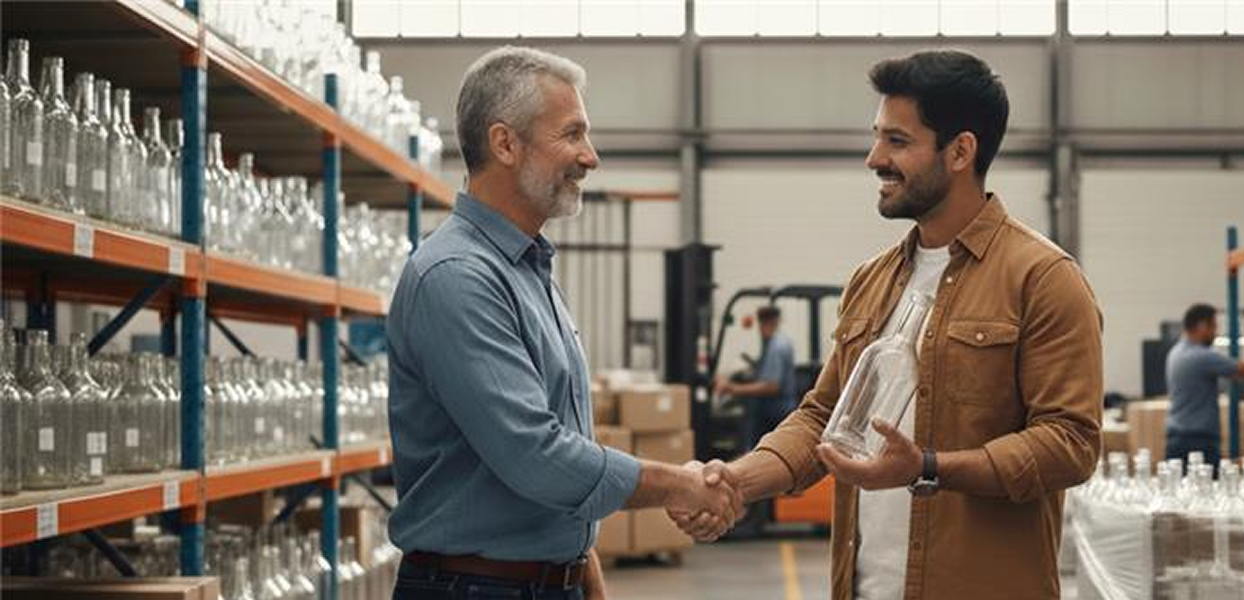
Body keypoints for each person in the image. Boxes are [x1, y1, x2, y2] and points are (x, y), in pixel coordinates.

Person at [669, 49, 1104, 600]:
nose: (875, 158)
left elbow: (1070, 443)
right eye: (878, 138)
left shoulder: (1043, 279)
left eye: (897, 141)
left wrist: (928, 467)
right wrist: (735, 481)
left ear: (960, 151)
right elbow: (823, 418)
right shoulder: (871, 280)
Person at [385, 47, 742, 600]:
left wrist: (580, 566)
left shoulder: (528, 269)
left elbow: (561, 447)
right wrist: (680, 484)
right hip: (474, 589)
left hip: (543, 582)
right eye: (572, 134)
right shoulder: (457, 276)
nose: (590, 157)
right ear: (505, 144)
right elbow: (536, 455)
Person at [1164, 303, 1244, 469]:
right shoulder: (1201, 356)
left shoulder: (1175, 353)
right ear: (1201, 326)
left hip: (1176, 438)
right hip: (1198, 440)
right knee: (1206, 484)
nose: (1216, 333)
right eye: (1213, 327)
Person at [716, 305, 797, 451]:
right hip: (776, 410)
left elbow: (771, 386)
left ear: (769, 323)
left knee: (756, 445)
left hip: (775, 412)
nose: (760, 329)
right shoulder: (776, 343)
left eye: (762, 324)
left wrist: (732, 388)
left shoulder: (776, 347)